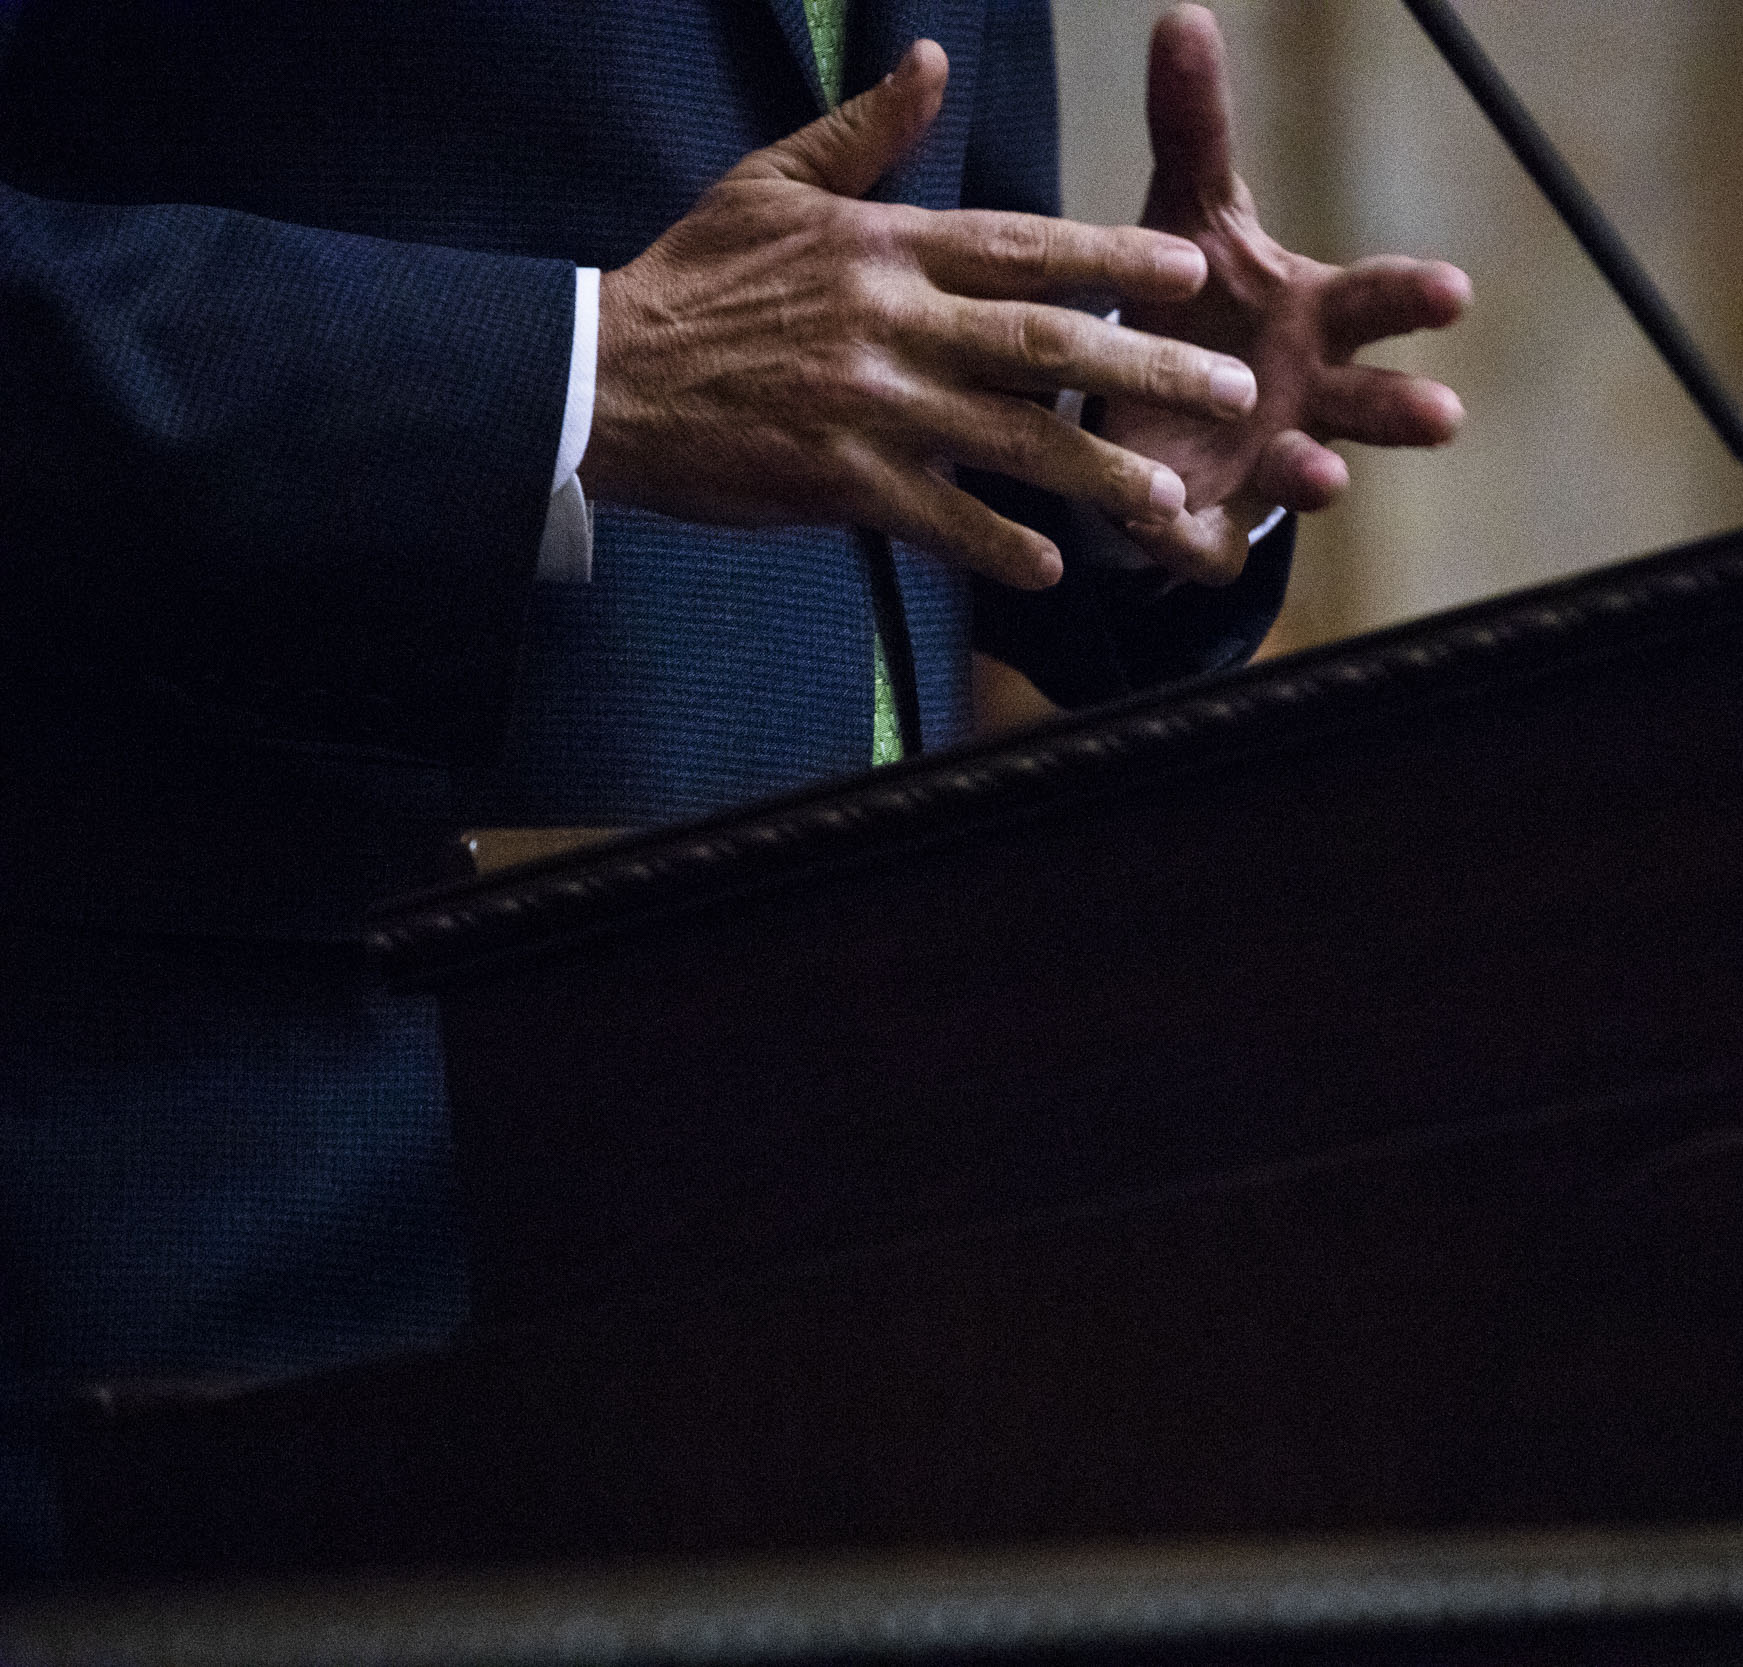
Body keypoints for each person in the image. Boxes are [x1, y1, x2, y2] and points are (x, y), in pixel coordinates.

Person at [0, 0, 1467, 1573]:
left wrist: (1120, 449)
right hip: (230, 1150)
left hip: (835, 1197)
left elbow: (875, 351)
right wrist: (563, 378)